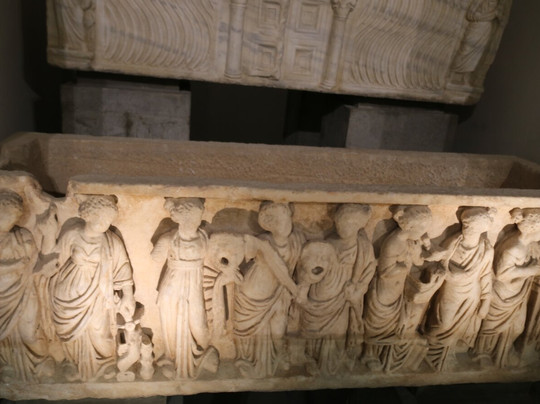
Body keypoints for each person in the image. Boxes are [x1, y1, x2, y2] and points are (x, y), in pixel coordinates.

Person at [49, 195, 135, 381]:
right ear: (88, 215)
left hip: (98, 293)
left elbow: (123, 268)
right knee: (69, 330)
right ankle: (72, 362)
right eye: (101, 218)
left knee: (99, 330)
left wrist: (128, 296)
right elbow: (57, 262)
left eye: (108, 220)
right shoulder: (72, 234)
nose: (105, 224)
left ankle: (105, 363)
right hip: (69, 291)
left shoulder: (111, 241)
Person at [234, 201, 303, 377]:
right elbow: (277, 268)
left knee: (279, 329)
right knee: (253, 331)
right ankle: (249, 359)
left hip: (280, 292)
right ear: (269, 224)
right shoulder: (263, 241)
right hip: (256, 292)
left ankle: (280, 355)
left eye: (287, 218)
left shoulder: (296, 240)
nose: (285, 224)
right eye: (278, 221)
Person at [152, 197, 218, 379]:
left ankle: (200, 354)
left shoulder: (203, 236)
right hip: (173, 283)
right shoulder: (169, 238)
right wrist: (161, 243)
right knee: (170, 322)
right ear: (181, 219)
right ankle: (171, 358)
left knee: (199, 325)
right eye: (192, 218)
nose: (196, 222)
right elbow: (155, 257)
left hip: (194, 285)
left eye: (198, 218)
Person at [362, 205, 432, 372]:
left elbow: (418, 262)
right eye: (421, 229)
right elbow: (385, 272)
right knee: (377, 323)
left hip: (396, 291)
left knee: (390, 326)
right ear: (410, 227)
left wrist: (424, 250)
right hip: (384, 292)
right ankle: (368, 354)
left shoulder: (410, 241)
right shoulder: (393, 243)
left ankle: (381, 354)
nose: (424, 232)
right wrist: (404, 266)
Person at [424, 207, 495, 371]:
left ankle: (446, 355)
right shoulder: (453, 242)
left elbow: (485, 275)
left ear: (481, 229)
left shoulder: (486, 249)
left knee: (460, 326)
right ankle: (429, 348)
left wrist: (485, 301)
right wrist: (446, 271)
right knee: (443, 323)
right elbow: (440, 262)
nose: (467, 228)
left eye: (472, 226)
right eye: (465, 224)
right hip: (451, 290)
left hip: (472, 293)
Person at [473, 208, 540, 368]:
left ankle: (502, 354)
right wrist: (530, 270)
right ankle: (480, 353)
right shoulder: (514, 247)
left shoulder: (528, 244)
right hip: (502, 293)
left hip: (517, 293)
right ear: (532, 229)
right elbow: (502, 274)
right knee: (491, 326)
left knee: (517, 327)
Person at [0, 190, 53, 382]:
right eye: (7, 216)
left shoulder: (23, 235)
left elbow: (35, 262)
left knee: (30, 332)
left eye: (15, 217)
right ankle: (7, 366)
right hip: (2, 297)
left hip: (25, 290)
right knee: (4, 336)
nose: (11, 221)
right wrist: (14, 266)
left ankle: (41, 362)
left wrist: (48, 234)